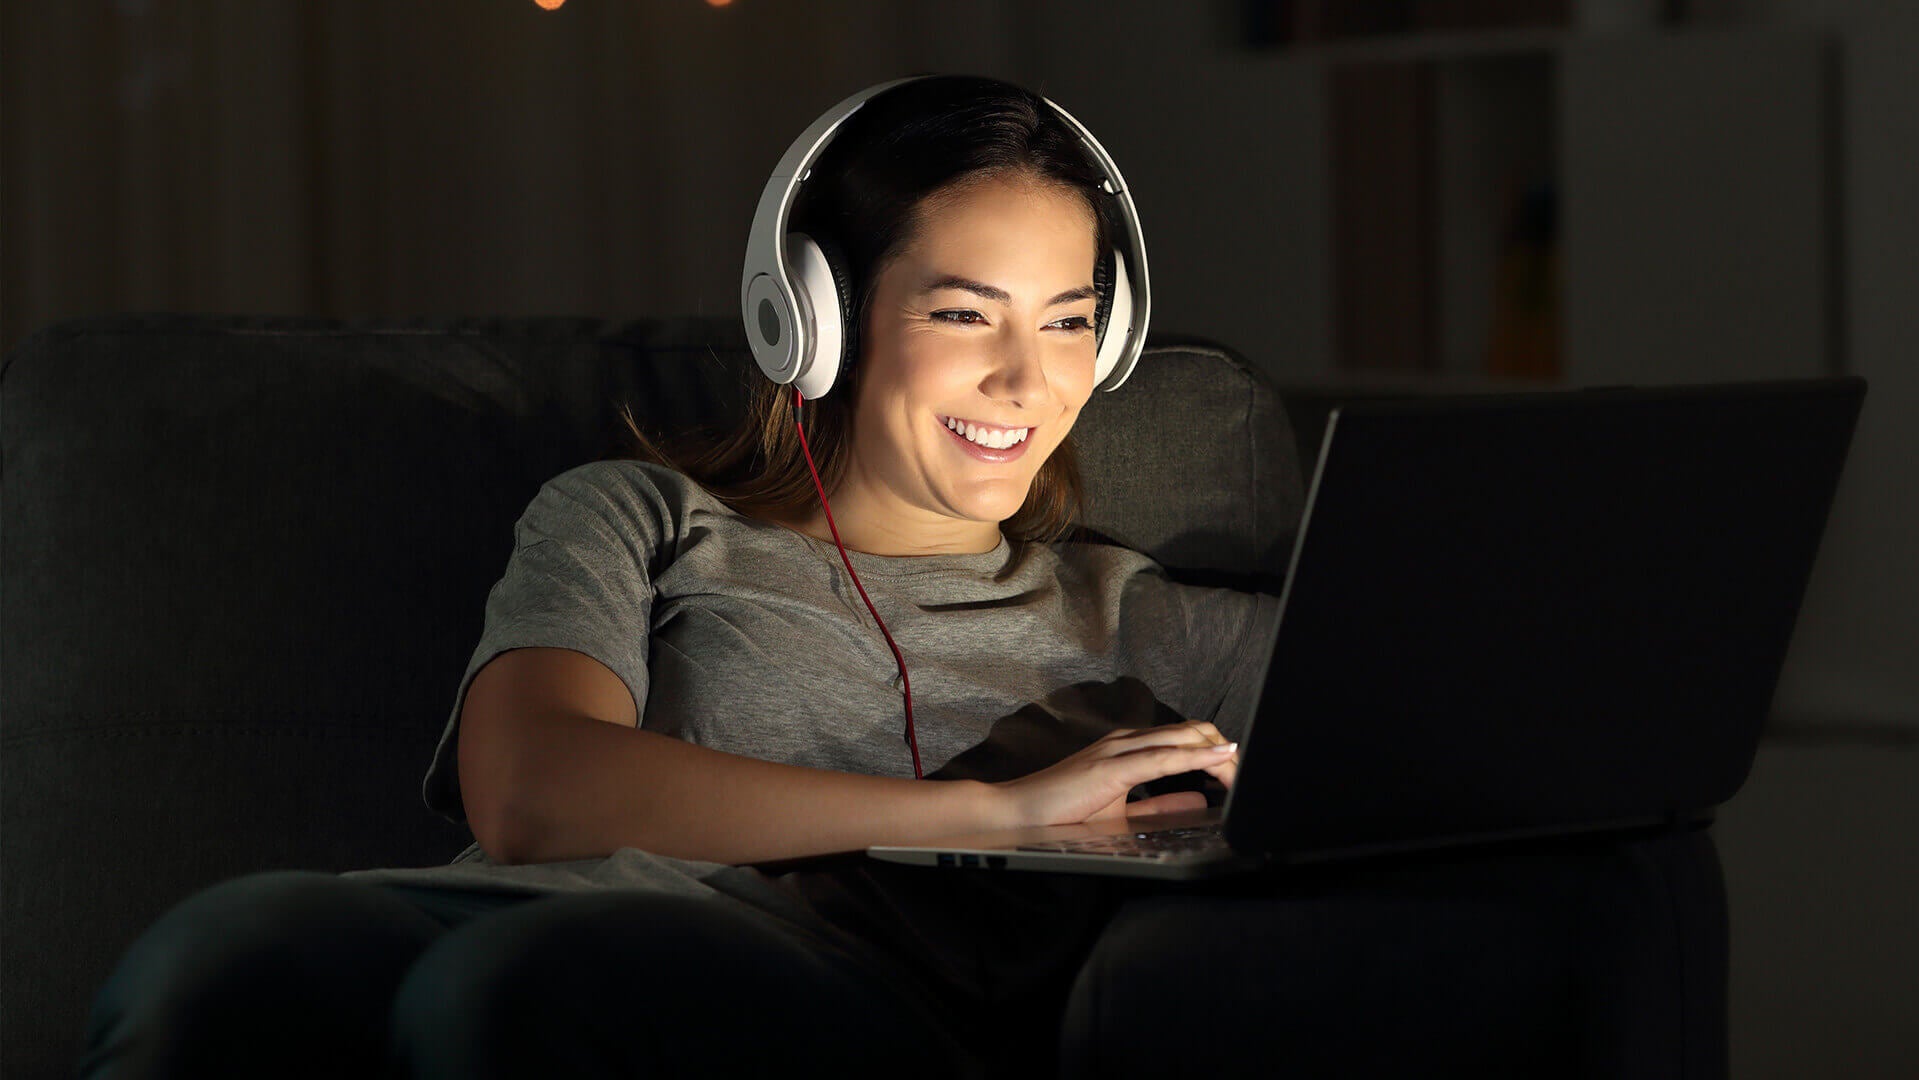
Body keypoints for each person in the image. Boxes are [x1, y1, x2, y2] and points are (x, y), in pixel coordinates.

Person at [75, 74, 1282, 1080]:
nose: (1029, 380)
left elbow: (1424, 701)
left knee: (516, 992)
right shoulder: (636, 517)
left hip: (798, 981)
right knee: (222, 952)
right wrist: (993, 815)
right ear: (823, 322)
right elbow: (534, 788)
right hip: (487, 908)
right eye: (966, 315)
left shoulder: (1149, 620)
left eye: (1069, 322)